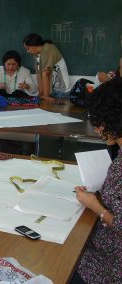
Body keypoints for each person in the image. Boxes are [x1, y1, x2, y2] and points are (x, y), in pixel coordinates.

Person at [70, 78, 122, 283]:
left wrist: (95, 206)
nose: (97, 130)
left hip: (111, 264)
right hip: (104, 247)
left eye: (99, 124)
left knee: (62, 263)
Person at [23, 33, 71, 102]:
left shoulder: (49, 48)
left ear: (34, 45)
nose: (27, 51)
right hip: (51, 92)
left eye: (28, 48)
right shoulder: (36, 55)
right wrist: (40, 93)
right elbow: (39, 75)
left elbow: (46, 74)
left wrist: (45, 96)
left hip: (62, 92)